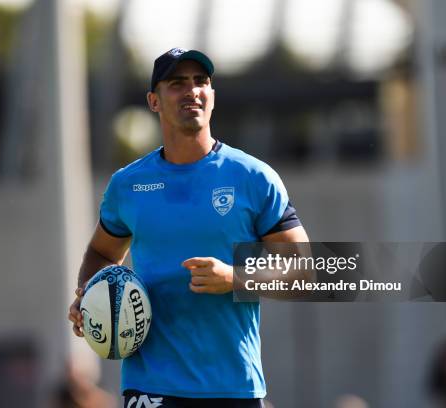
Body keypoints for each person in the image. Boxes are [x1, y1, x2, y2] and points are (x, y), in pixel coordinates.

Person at [69, 47, 309, 408]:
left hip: (232, 387)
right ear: (154, 101)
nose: (192, 91)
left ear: (212, 96)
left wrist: (234, 277)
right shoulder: (128, 185)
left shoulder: (253, 177)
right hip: (150, 386)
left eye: (201, 82)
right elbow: (102, 252)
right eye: (177, 83)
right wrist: (90, 295)